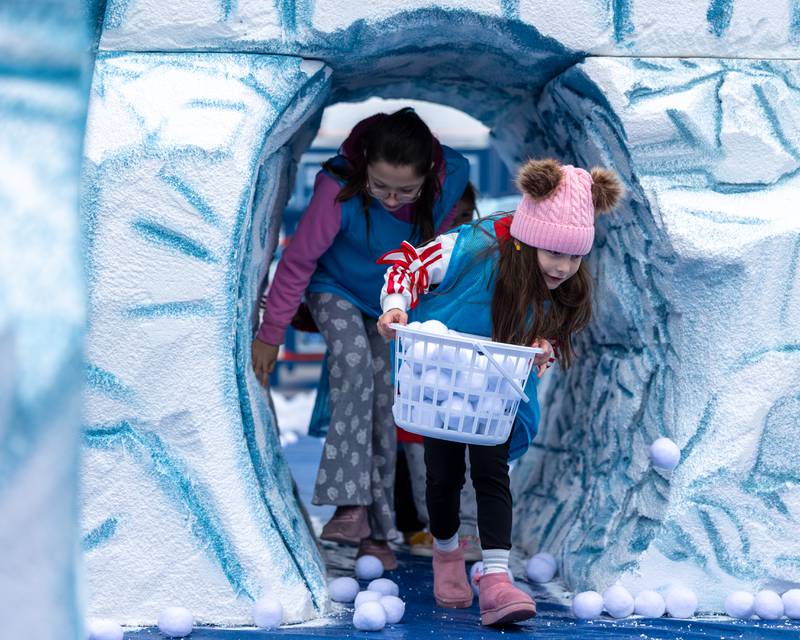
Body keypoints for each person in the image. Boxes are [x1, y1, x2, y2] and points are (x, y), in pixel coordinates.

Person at [377, 158, 623, 625]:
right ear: (529, 236)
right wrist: (395, 307)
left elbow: (554, 330)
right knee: (443, 476)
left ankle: (495, 577)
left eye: (574, 257)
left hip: (496, 389)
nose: (563, 266)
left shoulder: (562, 283)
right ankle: (447, 554)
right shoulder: (475, 247)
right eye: (554, 253)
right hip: (442, 382)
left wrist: (545, 347)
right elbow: (409, 264)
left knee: (492, 473)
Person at [252, 107, 470, 570]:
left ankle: (375, 531)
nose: (391, 199)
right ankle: (348, 504)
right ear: (364, 164)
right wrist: (272, 333)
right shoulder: (337, 189)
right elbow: (297, 264)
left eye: (405, 190)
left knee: (382, 403)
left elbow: (441, 243)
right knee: (353, 371)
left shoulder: (449, 179)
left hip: (388, 302)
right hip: (335, 289)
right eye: (380, 186)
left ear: (429, 174)